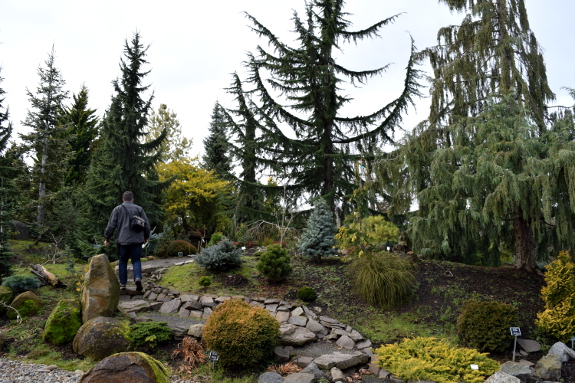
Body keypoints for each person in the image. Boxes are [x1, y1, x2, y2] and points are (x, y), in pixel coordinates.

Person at [104, 191, 150, 291]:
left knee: (123, 260)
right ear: (132, 199)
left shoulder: (117, 209)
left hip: (123, 240)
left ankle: (123, 284)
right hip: (137, 240)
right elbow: (146, 224)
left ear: (122, 199)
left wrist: (107, 238)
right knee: (136, 260)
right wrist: (146, 237)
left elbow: (111, 225)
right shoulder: (139, 209)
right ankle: (137, 277)